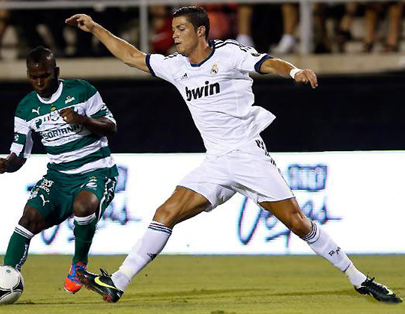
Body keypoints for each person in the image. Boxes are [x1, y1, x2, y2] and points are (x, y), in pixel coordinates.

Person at [65, 6, 402, 304]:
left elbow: (267, 62)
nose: (174, 35)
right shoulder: (175, 65)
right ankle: (118, 283)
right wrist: (95, 28)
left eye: (180, 29)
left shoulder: (228, 54)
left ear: (200, 31)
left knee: (298, 223)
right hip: (215, 162)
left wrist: (295, 71)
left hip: (247, 156)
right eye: (173, 29)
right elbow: (132, 56)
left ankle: (359, 279)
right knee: (165, 212)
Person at [0, 46, 118, 301]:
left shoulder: (82, 91)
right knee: (28, 218)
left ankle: (78, 266)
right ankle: (5, 279)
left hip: (97, 171)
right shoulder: (26, 109)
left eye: (45, 76)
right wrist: (7, 164)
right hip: (59, 177)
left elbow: (111, 127)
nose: (39, 82)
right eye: (33, 77)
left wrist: (83, 120)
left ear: (56, 72)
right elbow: (20, 154)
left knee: (84, 205)